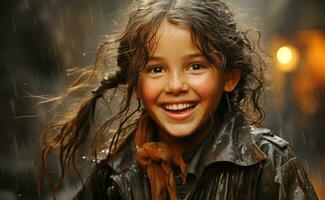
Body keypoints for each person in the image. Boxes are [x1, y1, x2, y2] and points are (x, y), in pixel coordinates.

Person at [39, 0, 319, 199]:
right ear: (137, 83)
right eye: (156, 69)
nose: (175, 86)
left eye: (196, 66)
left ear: (229, 77)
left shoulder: (267, 165)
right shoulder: (115, 175)